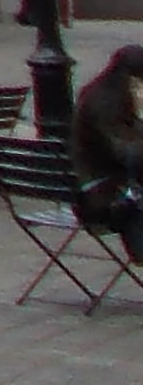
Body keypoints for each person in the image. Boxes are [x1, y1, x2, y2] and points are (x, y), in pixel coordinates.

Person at [70, 41, 143, 259]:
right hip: (102, 200)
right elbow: (130, 156)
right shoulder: (103, 105)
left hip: (110, 187)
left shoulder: (105, 97)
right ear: (129, 80)